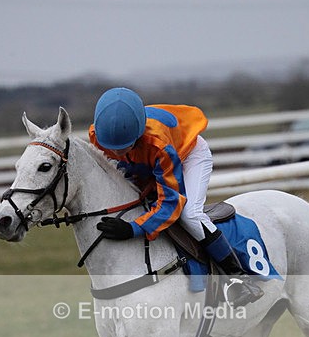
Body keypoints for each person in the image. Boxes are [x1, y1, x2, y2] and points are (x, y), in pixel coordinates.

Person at [89, 87, 263, 306]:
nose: (118, 153)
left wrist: (134, 228)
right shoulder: (99, 136)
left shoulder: (157, 143)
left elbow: (171, 201)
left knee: (189, 214)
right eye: (113, 149)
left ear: (137, 135)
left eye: (125, 147)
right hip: (146, 160)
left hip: (187, 154)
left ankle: (237, 276)